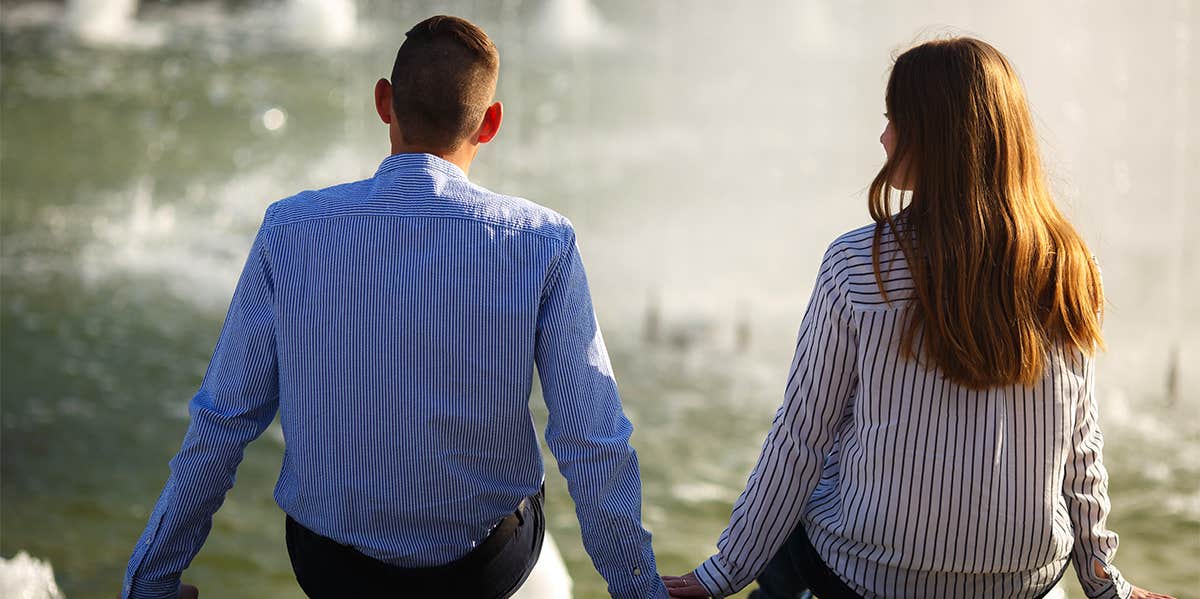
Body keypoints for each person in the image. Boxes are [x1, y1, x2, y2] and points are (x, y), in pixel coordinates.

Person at [121, 15, 668, 599]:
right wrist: (639, 590)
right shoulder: (541, 242)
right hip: (478, 569)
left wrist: (151, 582)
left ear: (384, 101)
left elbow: (225, 416)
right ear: (490, 125)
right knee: (524, 484)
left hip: (332, 564)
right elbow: (592, 438)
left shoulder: (291, 229)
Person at [662, 38, 1176, 599]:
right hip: (1021, 583)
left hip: (869, 577)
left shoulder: (857, 265)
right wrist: (1107, 586)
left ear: (936, 135)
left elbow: (801, 437)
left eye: (895, 119)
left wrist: (717, 577)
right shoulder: (1068, 266)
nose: (883, 137)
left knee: (794, 530)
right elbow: (1081, 449)